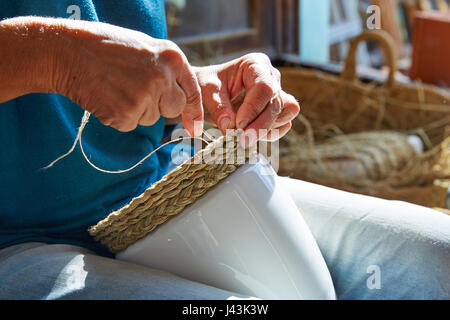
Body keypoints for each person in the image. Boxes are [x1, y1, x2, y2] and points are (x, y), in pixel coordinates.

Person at [0, 0, 448, 300]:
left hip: (157, 195)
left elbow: (120, 53)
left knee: (437, 259)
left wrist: (195, 83)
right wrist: (55, 58)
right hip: (14, 241)